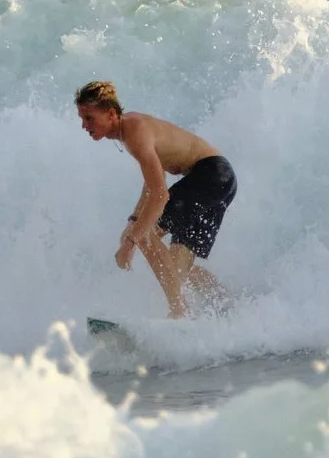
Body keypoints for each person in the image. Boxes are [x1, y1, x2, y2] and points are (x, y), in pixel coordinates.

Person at [74, 80, 236, 318]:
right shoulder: (130, 131)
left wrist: (130, 241)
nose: (84, 125)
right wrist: (134, 221)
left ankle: (179, 312)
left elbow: (160, 194)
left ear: (110, 114)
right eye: (81, 118)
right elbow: (152, 184)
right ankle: (228, 303)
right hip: (221, 181)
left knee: (145, 234)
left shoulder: (134, 131)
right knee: (174, 271)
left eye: (89, 118)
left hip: (210, 175)